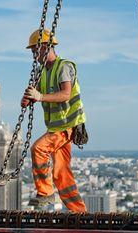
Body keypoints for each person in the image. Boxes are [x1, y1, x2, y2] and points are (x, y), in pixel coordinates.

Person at [22, 29, 87, 213]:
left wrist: (40, 96)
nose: (34, 56)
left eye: (35, 51)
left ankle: (45, 193)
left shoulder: (64, 67)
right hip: (57, 127)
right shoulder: (42, 72)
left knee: (39, 148)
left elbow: (66, 94)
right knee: (61, 172)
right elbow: (26, 101)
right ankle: (79, 212)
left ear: (45, 47)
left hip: (67, 125)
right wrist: (28, 97)